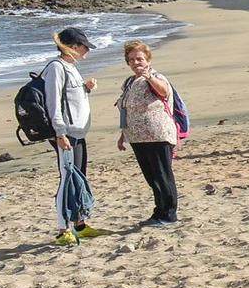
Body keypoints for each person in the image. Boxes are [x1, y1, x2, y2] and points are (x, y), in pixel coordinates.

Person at [42, 26, 105, 246]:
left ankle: (79, 225)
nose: (87, 50)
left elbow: (70, 98)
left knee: (79, 178)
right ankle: (63, 230)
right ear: (72, 47)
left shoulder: (71, 67)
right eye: (84, 46)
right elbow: (53, 103)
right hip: (66, 134)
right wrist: (60, 133)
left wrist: (85, 88)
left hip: (78, 133)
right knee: (67, 180)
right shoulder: (56, 67)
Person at [113, 41, 180, 226]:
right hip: (137, 137)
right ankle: (159, 212)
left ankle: (169, 215)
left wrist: (149, 77)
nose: (136, 62)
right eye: (132, 59)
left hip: (157, 134)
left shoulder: (156, 76)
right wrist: (123, 134)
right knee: (151, 178)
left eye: (140, 58)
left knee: (162, 175)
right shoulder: (129, 82)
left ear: (148, 60)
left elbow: (165, 92)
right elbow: (126, 109)